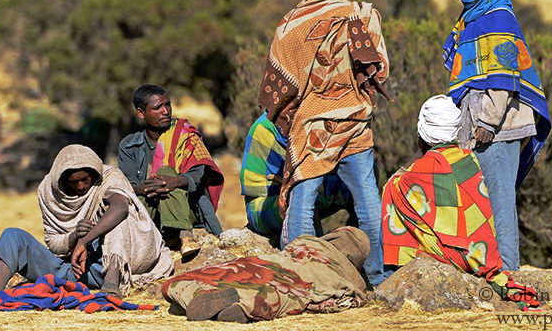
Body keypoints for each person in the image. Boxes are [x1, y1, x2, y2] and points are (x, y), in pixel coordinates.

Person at [257, 0, 390, 287]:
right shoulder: (363, 14)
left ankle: (302, 279)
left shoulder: (289, 25)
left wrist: (291, 115)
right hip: (355, 121)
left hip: (310, 127)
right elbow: (380, 69)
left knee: (304, 199)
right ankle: (378, 276)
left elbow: (278, 87)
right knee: (368, 198)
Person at [442, 0, 551, 271]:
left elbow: (503, 77)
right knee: (480, 204)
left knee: (500, 204)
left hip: (499, 128)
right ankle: (488, 272)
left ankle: (509, 276)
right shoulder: (471, 17)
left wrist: (489, 122)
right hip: (477, 126)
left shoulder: (498, 15)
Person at [382, 95, 540, 311]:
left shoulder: (421, 171)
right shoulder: (467, 158)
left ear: (423, 133)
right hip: (481, 256)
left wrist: (420, 152)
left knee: (392, 191)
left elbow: (393, 183)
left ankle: (397, 269)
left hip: (454, 257)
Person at [0, 144, 173, 305]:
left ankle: (110, 289)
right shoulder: (48, 192)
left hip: (106, 266)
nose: (82, 186)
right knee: (12, 235)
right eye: (74, 182)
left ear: (93, 173)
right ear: (62, 181)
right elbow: (53, 243)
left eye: (85, 179)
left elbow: (120, 208)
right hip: (71, 269)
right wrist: (74, 236)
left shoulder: (109, 177)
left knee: (115, 219)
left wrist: (85, 240)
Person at [162, 226, 369, 323]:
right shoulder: (347, 274)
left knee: (237, 270)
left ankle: (187, 288)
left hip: (271, 263)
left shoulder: (309, 241)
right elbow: (349, 297)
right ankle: (243, 305)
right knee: (284, 292)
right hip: (296, 278)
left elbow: (288, 251)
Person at [118, 84, 225, 255]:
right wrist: (149, 187)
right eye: (157, 107)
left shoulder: (186, 135)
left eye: (167, 105)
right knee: (160, 181)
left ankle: (184, 235)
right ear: (141, 113)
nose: (165, 111)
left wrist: (176, 181)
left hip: (186, 209)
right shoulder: (129, 146)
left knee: (166, 173)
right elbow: (127, 185)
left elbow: (197, 175)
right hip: (149, 208)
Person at [239, 111, 353, 240]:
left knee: (364, 179)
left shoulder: (333, 116)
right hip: (269, 204)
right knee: (301, 197)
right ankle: (310, 251)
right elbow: (254, 203)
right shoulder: (268, 126)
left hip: (320, 195)